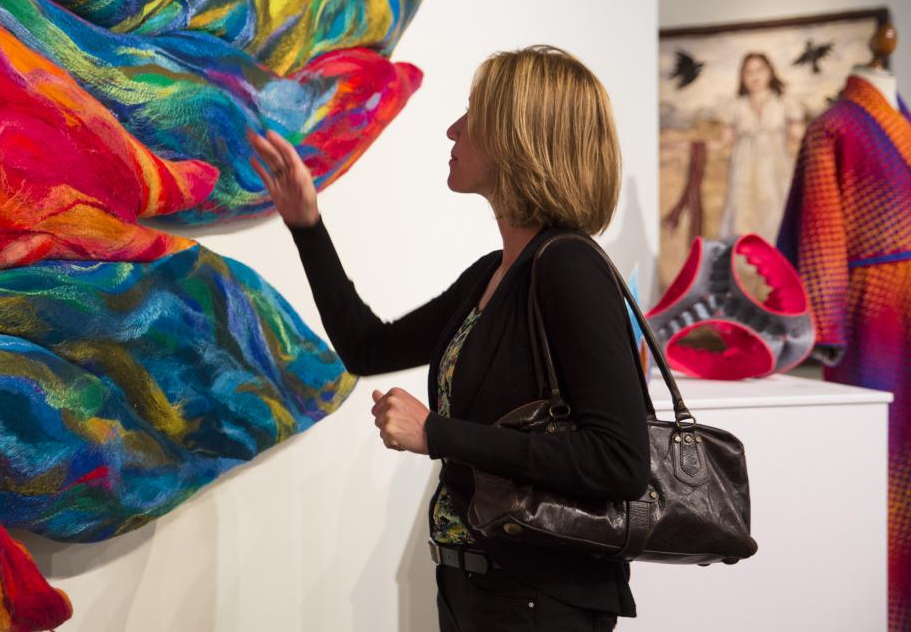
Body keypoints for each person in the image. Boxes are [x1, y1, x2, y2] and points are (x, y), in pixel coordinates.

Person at [250, 45, 650, 631]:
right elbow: (368, 347)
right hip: (475, 588)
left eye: (472, 117)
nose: (452, 130)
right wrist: (306, 224)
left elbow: (619, 461)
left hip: (541, 600)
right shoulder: (495, 272)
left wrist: (436, 432)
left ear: (520, 137)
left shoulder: (570, 268)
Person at [715, 52, 804, 239]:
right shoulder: (736, 106)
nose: (755, 76)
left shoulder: (785, 102)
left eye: (759, 70)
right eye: (748, 72)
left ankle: (777, 259)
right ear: (742, 76)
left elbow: (799, 136)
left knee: (776, 209)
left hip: (776, 167)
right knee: (743, 210)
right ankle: (745, 262)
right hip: (744, 167)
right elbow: (724, 141)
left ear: (770, 72)